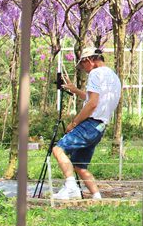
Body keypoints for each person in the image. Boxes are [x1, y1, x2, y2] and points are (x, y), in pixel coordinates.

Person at [52, 47, 122, 200]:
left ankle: (71, 188)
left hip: (90, 124)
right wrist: (75, 90)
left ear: (88, 60)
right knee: (79, 165)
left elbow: (92, 104)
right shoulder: (113, 76)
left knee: (58, 149)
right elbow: (93, 98)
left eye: (83, 66)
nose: (84, 69)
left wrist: (74, 123)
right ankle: (96, 196)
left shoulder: (96, 73)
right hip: (100, 126)